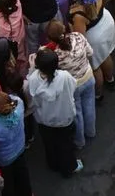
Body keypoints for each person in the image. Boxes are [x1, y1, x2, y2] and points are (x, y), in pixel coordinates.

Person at [23, 48, 80, 176]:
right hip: (65, 119)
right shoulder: (64, 76)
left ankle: (53, 164)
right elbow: (73, 86)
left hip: (45, 121)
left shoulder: (33, 79)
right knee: (66, 146)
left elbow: (34, 101)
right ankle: (69, 168)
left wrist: (32, 69)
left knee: (49, 145)